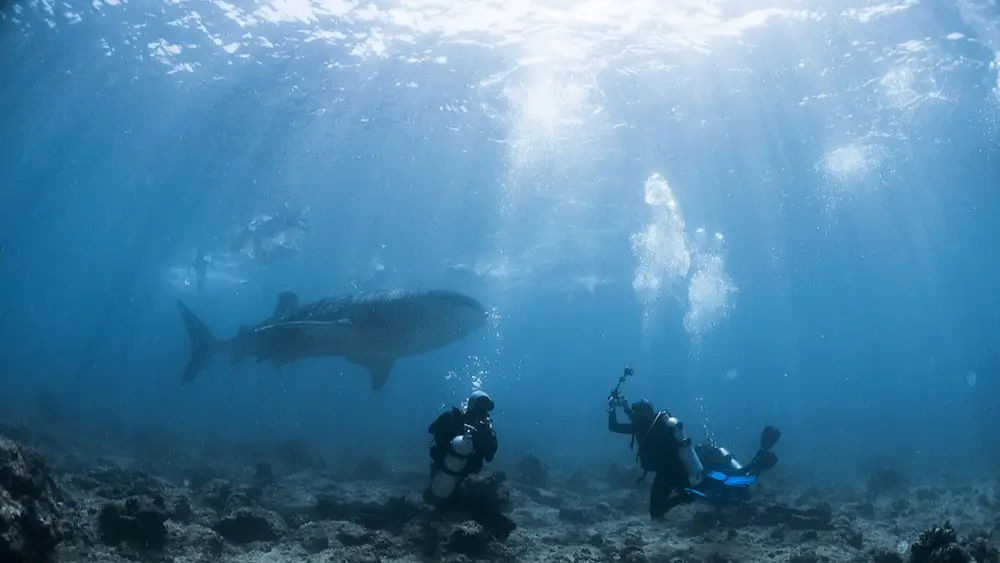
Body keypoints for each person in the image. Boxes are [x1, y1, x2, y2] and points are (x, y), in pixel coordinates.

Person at [608, 396, 781, 518]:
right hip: (681, 467)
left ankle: (704, 492)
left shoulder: (643, 426)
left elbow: (614, 426)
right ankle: (752, 466)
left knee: (658, 510)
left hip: (668, 473)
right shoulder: (656, 422)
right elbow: (638, 420)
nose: (634, 417)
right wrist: (624, 407)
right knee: (707, 490)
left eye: (636, 414)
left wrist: (611, 409)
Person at [425, 390, 515, 538]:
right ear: (471, 405)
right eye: (480, 407)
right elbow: (434, 433)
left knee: (468, 502)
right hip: (445, 472)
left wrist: (484, 438)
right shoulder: (452, 419)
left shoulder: (483, 430)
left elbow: (489, 455)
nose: (483, 413)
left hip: (465, 478)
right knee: (442, 500)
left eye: (485, 409)